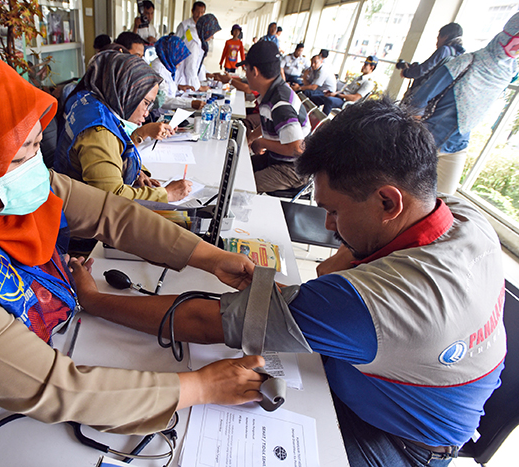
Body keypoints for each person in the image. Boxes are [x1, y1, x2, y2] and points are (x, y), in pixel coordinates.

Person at [0, 40, 265, 436]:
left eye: (35, 144)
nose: (34, 168)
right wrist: (198, 389)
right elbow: (54, 388)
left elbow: (109, 213)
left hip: (52, 326)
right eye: (18, 155)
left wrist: (208, 258)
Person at [71, 98, 506, 466]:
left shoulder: (374, 303)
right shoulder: (467, 222)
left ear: (389, 201)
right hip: (421, 404)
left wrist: (95, 300)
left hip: (397, 442)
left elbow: (204, 323)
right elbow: (327, 273)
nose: (330, 226)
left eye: (333, 211)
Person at [54, 50, 191, 202]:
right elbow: (113, 197)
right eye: (146, 103)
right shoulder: (98, 132)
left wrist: (136, 170)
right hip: (81, 211)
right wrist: (167, 194)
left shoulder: (92, 102)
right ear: (129, 92)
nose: (146, 113)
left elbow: (116, 149)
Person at [406, 13, 519, 195]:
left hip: (458, 145)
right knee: (406, 194)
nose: (514, 52)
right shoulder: (467, 62)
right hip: (427, 139)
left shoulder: (508, 73)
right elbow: (420, 97)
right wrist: (414, 129)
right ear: (505, 36)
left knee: (445, 200)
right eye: (515, 44)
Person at [236, 40, 310, 193]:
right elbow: (269, 123)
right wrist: (251, 138)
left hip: (293, 170)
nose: (245, 74)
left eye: (246, 69)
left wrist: (262, 143)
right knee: (236, 169)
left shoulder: (280, 102)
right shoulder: (271, 92)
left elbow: (297, 149)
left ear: (255, 71)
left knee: (241, 186)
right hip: (277, 158)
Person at [400, 23, 465, 104]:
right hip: (432, 98)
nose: (437, 42)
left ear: (445, 36)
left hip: (420, 93)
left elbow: (423, 70)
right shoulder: (456, 55)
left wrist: (406, 72)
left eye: (438, 38)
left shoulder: (444, 50)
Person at [309, 55, 377, 115]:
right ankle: (313, 115)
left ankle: (323, 122)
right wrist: (333, 93)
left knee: (329, 100)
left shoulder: (369, 82)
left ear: (372, 67)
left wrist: (337, 95)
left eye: (366, 65)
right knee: (314, 97)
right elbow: (345, 90)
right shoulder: (358, 78)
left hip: (346, 101)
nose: (363, 66)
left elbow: (355, 98)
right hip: (340, 96)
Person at [151, 35, 205, 111]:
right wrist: (190, 103)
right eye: (179, 57)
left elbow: (165, 86)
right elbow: (163, 101)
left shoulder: (166, 65)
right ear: (172, 54)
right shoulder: (158, 70)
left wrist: (178, 87)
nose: (181, 62)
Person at [176, 13, 221, 91]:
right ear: (207, 29)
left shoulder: (193, 33)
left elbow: (198, 62)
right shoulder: (194, 42)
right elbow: (190, 68)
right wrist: (199, 87)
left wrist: (207, 75)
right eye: (212, 33)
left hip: (183, 80)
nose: (212, 37)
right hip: (183, 82)